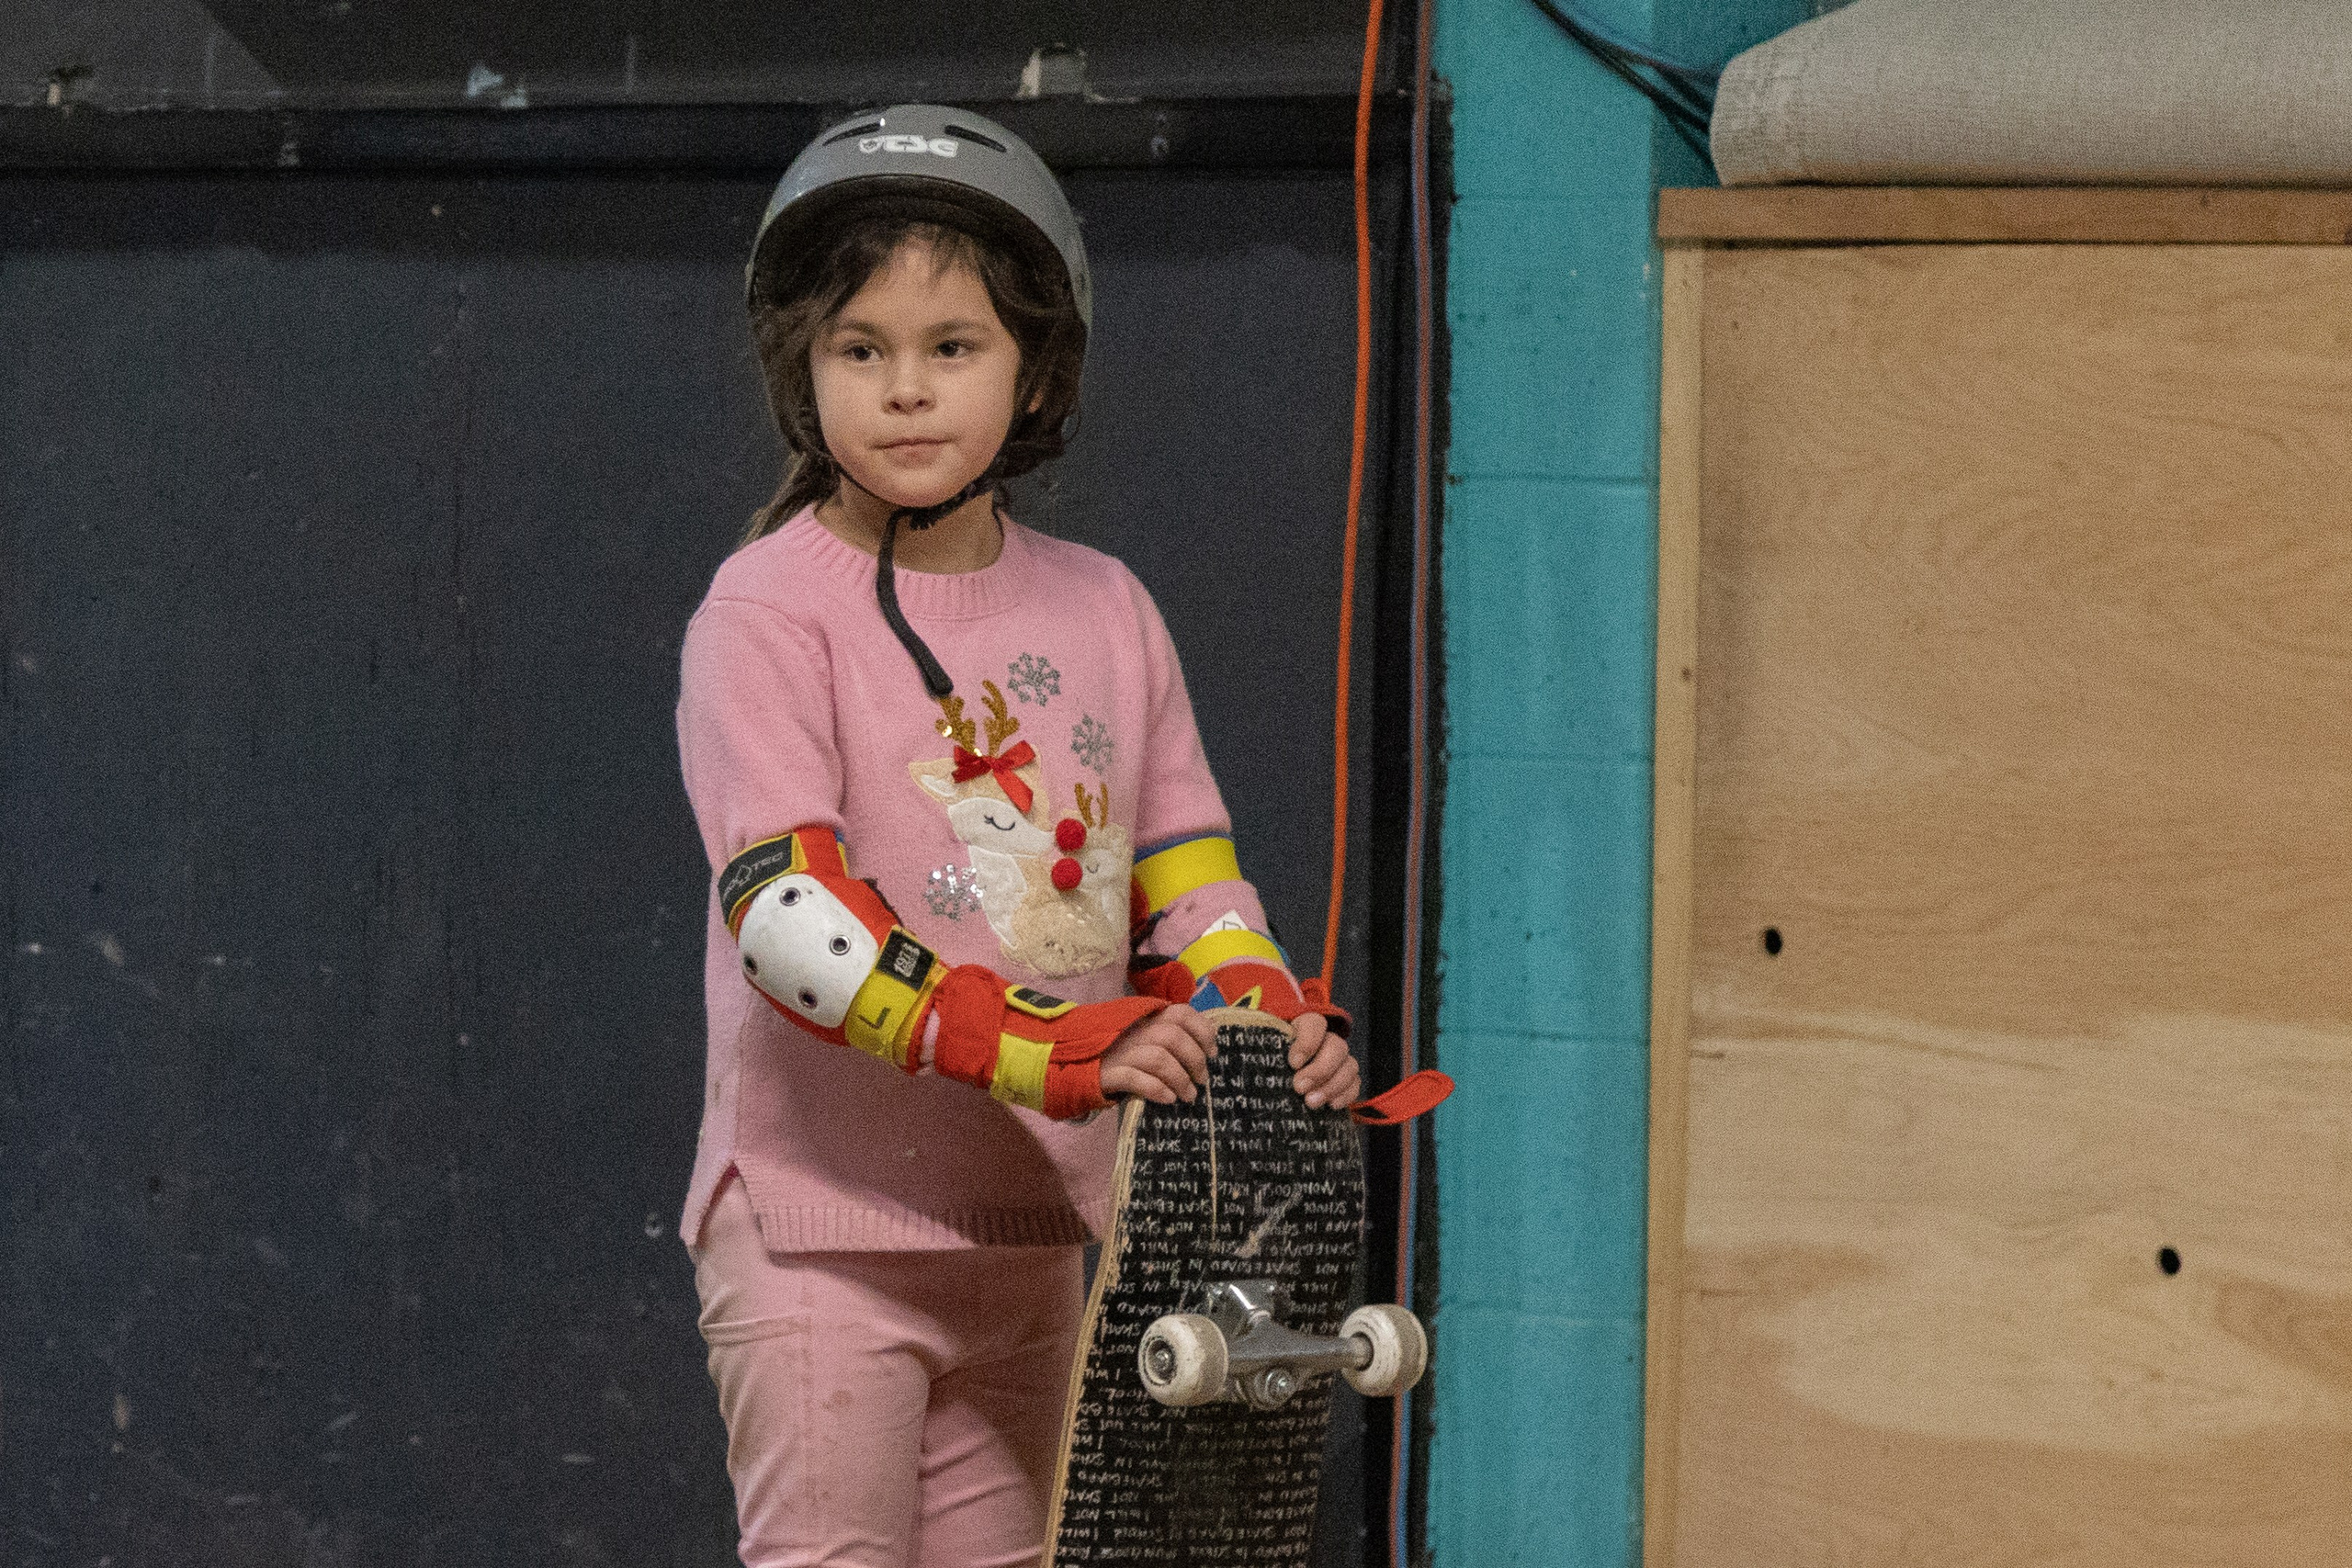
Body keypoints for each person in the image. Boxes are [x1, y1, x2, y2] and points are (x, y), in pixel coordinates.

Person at [674, 105, 1358, 1568]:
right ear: (803, 369)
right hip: (823, 1233)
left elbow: (1188, 879)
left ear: (1037, 368)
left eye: (953, 346)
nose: (906, 391)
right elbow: (789, 922)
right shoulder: (766, 610)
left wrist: (1267, 1030)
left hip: (1037, 1232)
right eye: (861, 349)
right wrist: (1051, 1048)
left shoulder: (1108, 606)